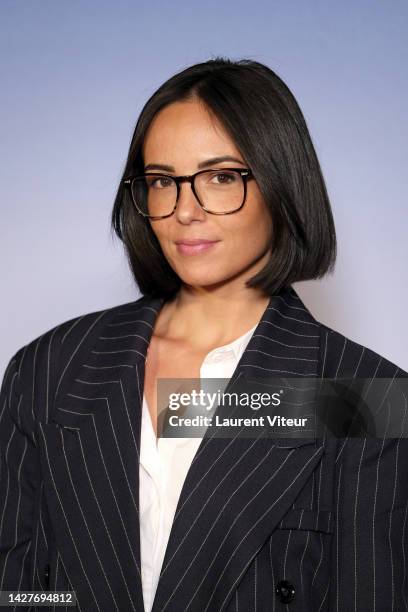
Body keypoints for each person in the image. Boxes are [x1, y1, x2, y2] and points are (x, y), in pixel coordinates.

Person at [0, 57, 407, 612]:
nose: (185, 211)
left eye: (221, 177)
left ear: (282, 184)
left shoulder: (363, 396)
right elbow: (18, 588)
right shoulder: (50, 368)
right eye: (163, 181)